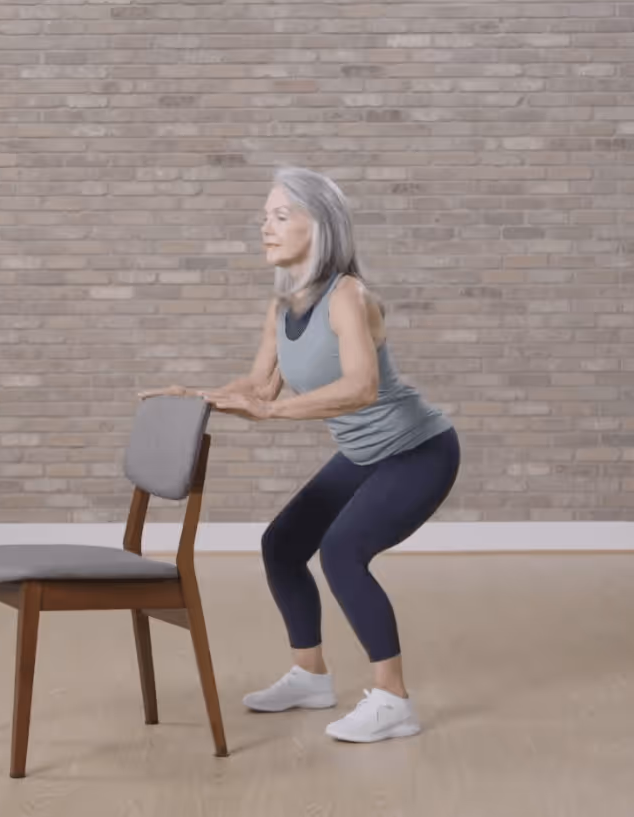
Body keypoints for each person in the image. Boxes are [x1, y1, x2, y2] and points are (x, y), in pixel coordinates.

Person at [139, 167, 460, 744]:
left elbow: (360, 387)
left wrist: (272, 413)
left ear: (322, 226)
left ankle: (393, 699)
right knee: (282, 545)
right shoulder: (282, 305)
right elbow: (261, 390)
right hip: (365, 453)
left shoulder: (349, 297)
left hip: (419, 450)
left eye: (281, 216)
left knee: (342, 550)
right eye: (265, 216)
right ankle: (310, 676)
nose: (265, 227)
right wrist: (200, 396)